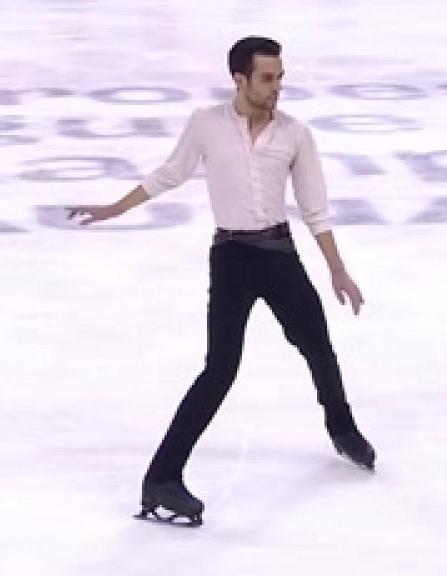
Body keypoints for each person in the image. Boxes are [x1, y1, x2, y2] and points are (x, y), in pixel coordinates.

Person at [68, 36, 375, 527]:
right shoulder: (206, 124)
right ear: (240, 79)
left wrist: (337, 268)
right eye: (267, 78)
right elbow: (169, 174)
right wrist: (112, 208)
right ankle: (163, 477)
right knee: (220, 369)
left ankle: (343, 429)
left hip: (278, 254)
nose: (276, 87)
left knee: (318, 346)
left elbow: (316, 208)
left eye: (280, 77)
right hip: (230, 256)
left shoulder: (296, 134)